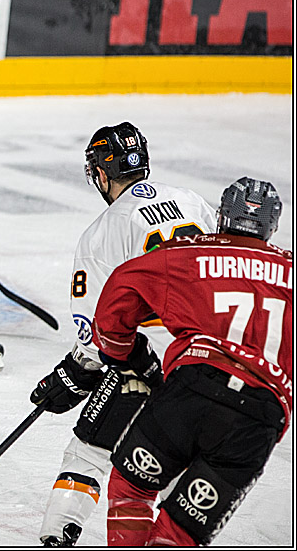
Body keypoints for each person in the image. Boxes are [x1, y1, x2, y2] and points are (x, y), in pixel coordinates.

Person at [28, 122, 217, 546]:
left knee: (90, 448)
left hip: (148, 355)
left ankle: (58, 533)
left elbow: (96, 331)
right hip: (209, 354)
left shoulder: (103, 232)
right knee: (176, 455)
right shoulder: (193, 201)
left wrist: (73, 374)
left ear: (100, 172)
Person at [93, 177, 290, 546]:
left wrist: (122, 351)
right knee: (178, 533)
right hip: (259, 415)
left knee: (132, 488)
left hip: (194, 390)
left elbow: (121, 288)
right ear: (272, 226)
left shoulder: (189, 253)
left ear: (222, 215)